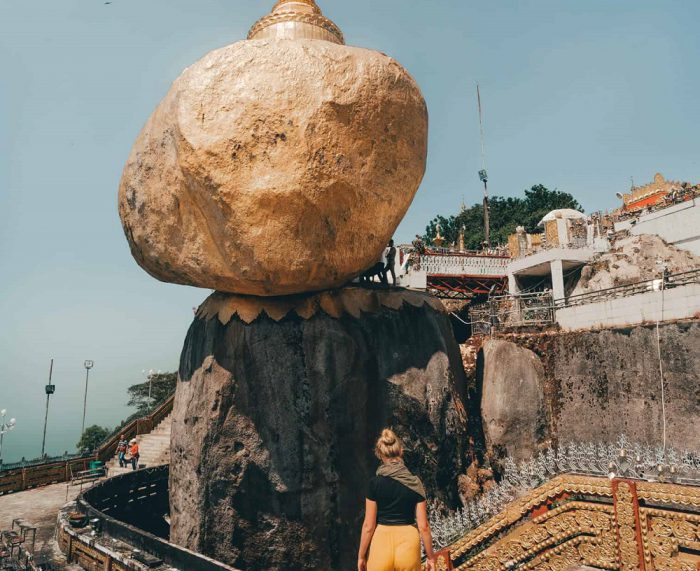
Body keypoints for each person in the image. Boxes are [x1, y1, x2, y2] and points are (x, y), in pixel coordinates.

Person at [357, 429, 435, 571]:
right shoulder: (415, 483)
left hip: (381, 542)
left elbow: (369, 525)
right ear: (401, 451)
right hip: (408, 543)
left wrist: (361, 556)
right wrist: (431, 558)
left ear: (380, 454)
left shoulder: (374, 484)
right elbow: (424, 526)